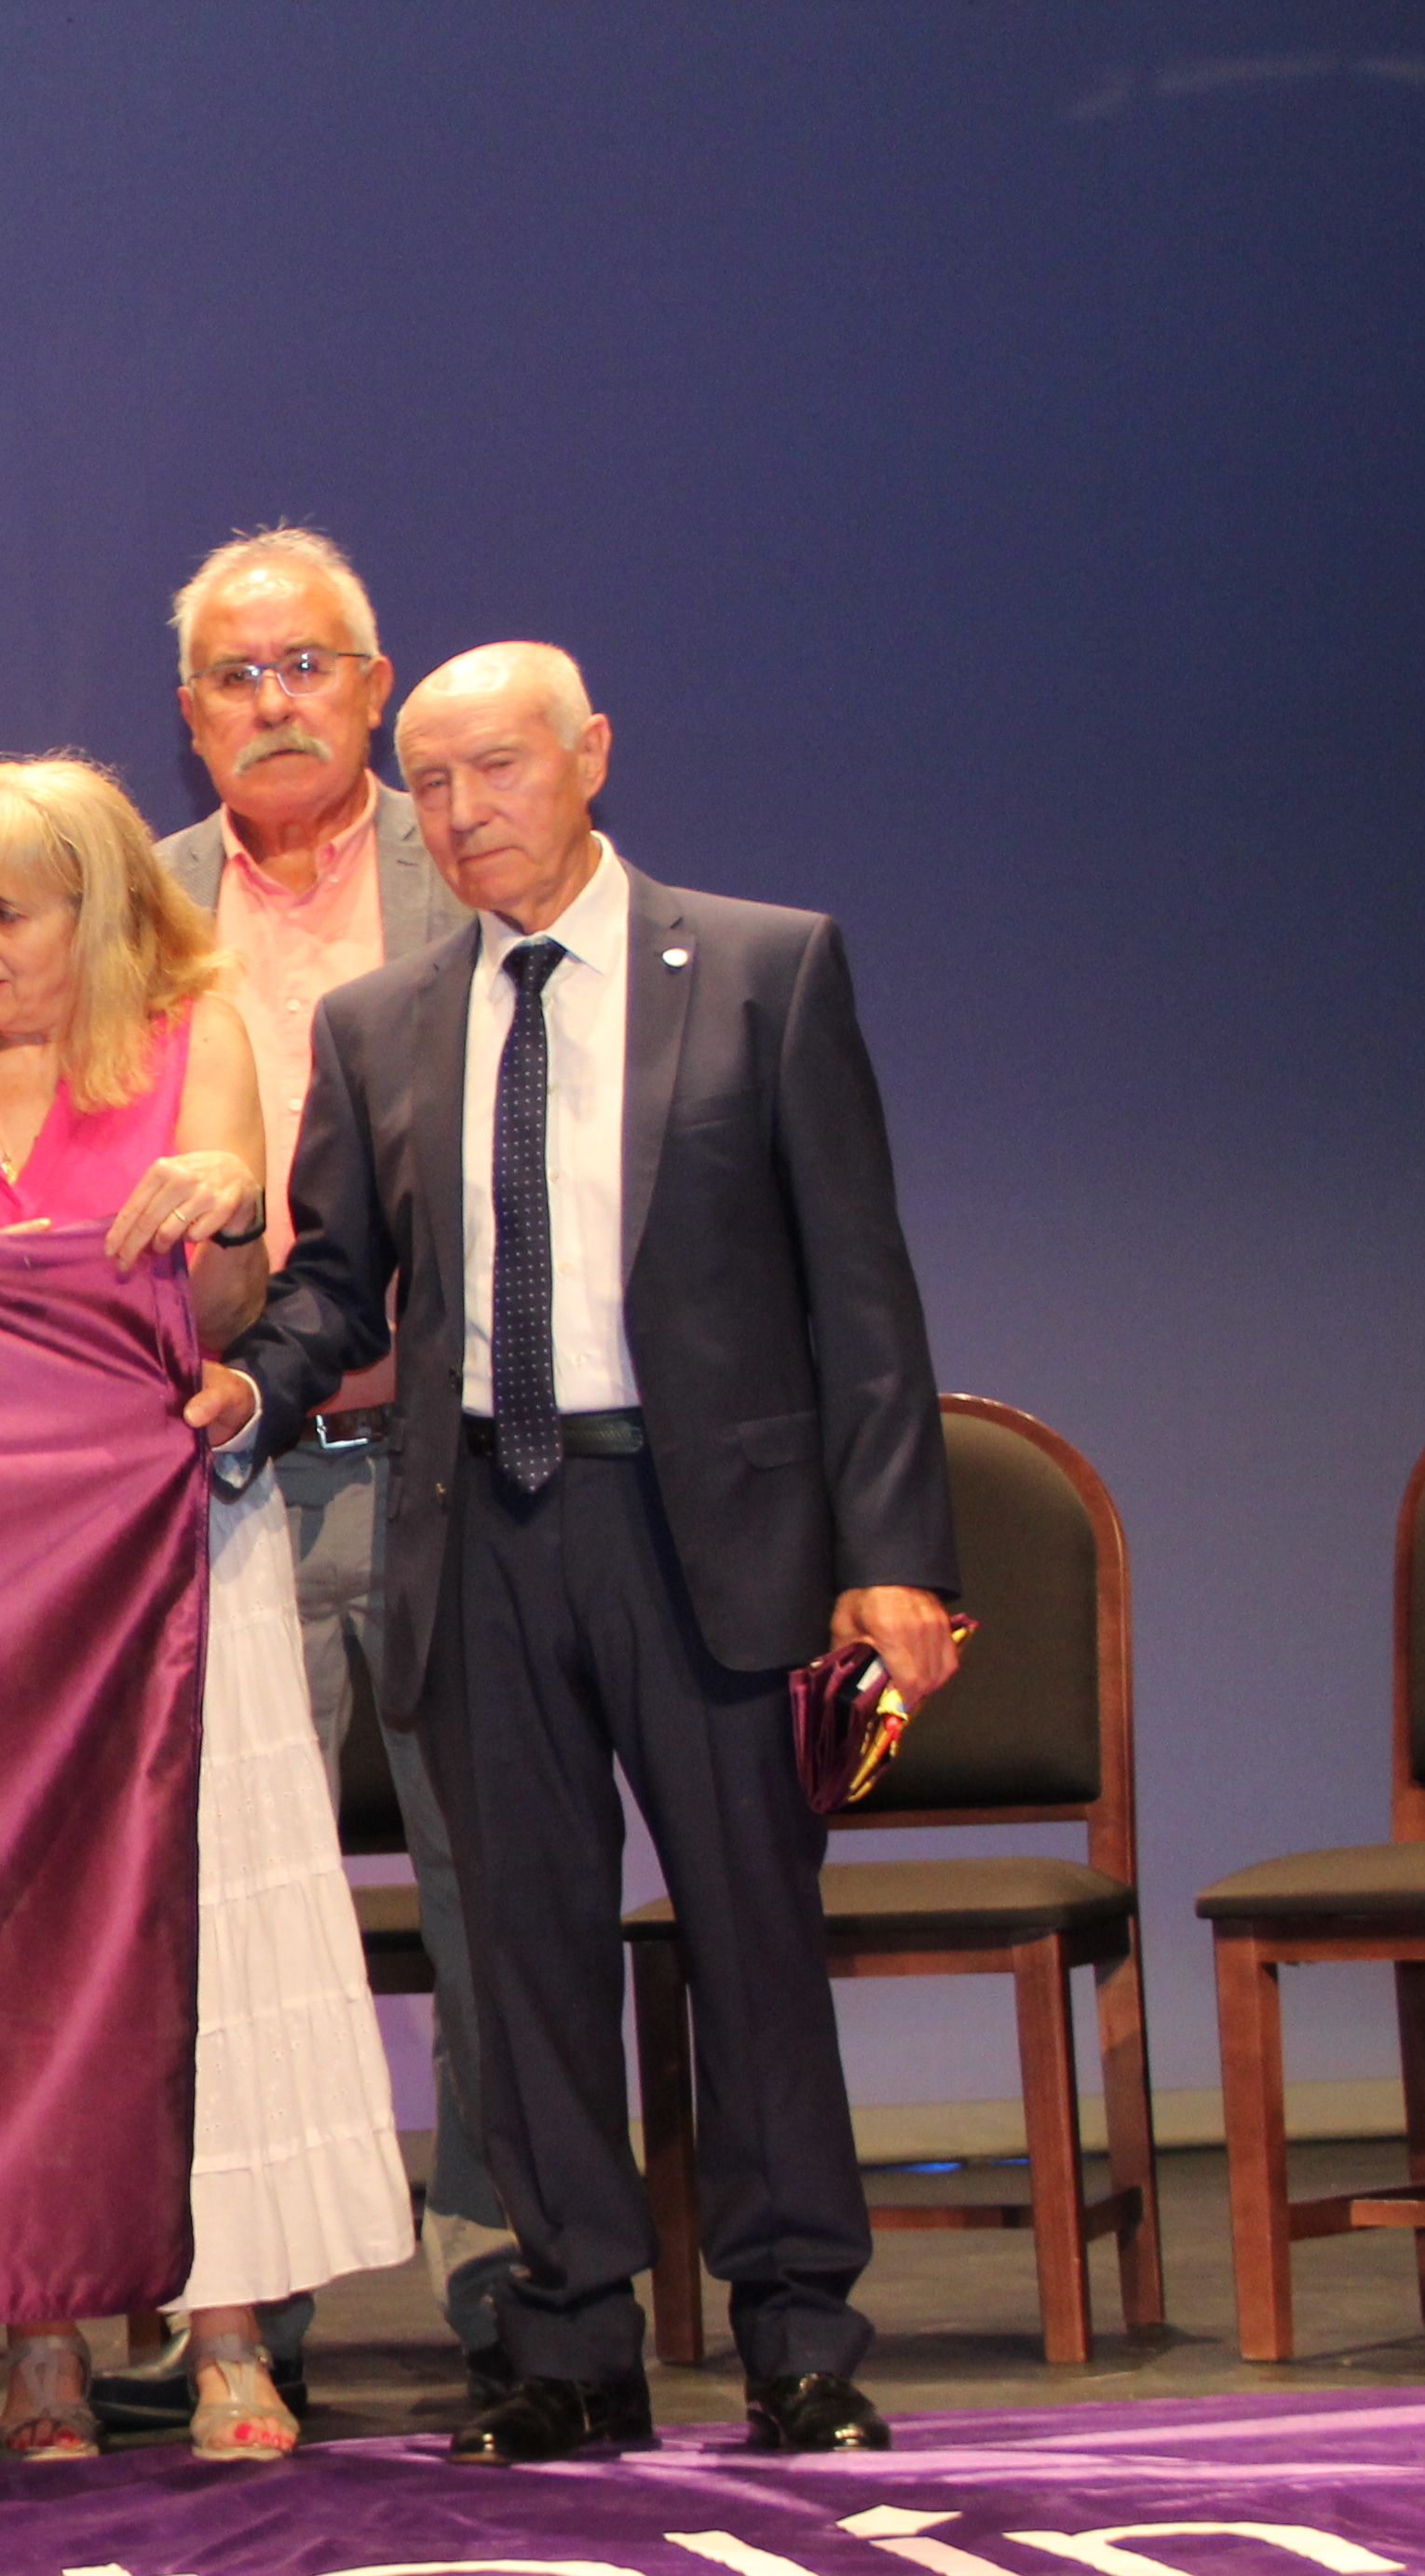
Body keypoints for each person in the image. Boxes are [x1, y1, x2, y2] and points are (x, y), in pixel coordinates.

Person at [195, 645, 958, 2464]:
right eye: (435, 784)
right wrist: (245, 1398)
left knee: (753, 1947)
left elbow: (863, 1297)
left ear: (592, 757)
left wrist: (898, 1558)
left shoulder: (766, 969)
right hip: (480, 1538)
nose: (460, 816)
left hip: (715, 1535)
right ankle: (568, 2339)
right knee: (522, 1963)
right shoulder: (385, 1023)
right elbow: (331, 1289)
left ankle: (797, 2337)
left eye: (499, 773)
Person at [0, 756, 411, 2462]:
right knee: (15, 1947)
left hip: (170, 1555)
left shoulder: (194, 1043)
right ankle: (38, 2331)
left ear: (95, 917)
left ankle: (225, 2324)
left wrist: (223, 1211)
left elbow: (238, 1306)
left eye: (6, 908)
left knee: (201, 1924)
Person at [143, 525, 507, 2418]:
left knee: (487, 1889)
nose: (276, 703)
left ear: (373, 686)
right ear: (189, 716)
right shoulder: (134, 908)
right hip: (226, 1480)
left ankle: (516, 2287)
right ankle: (240, 2307)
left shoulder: (472, 880)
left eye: (309, 667)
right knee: (227, 1905)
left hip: (451, 1462)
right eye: (236, 676)